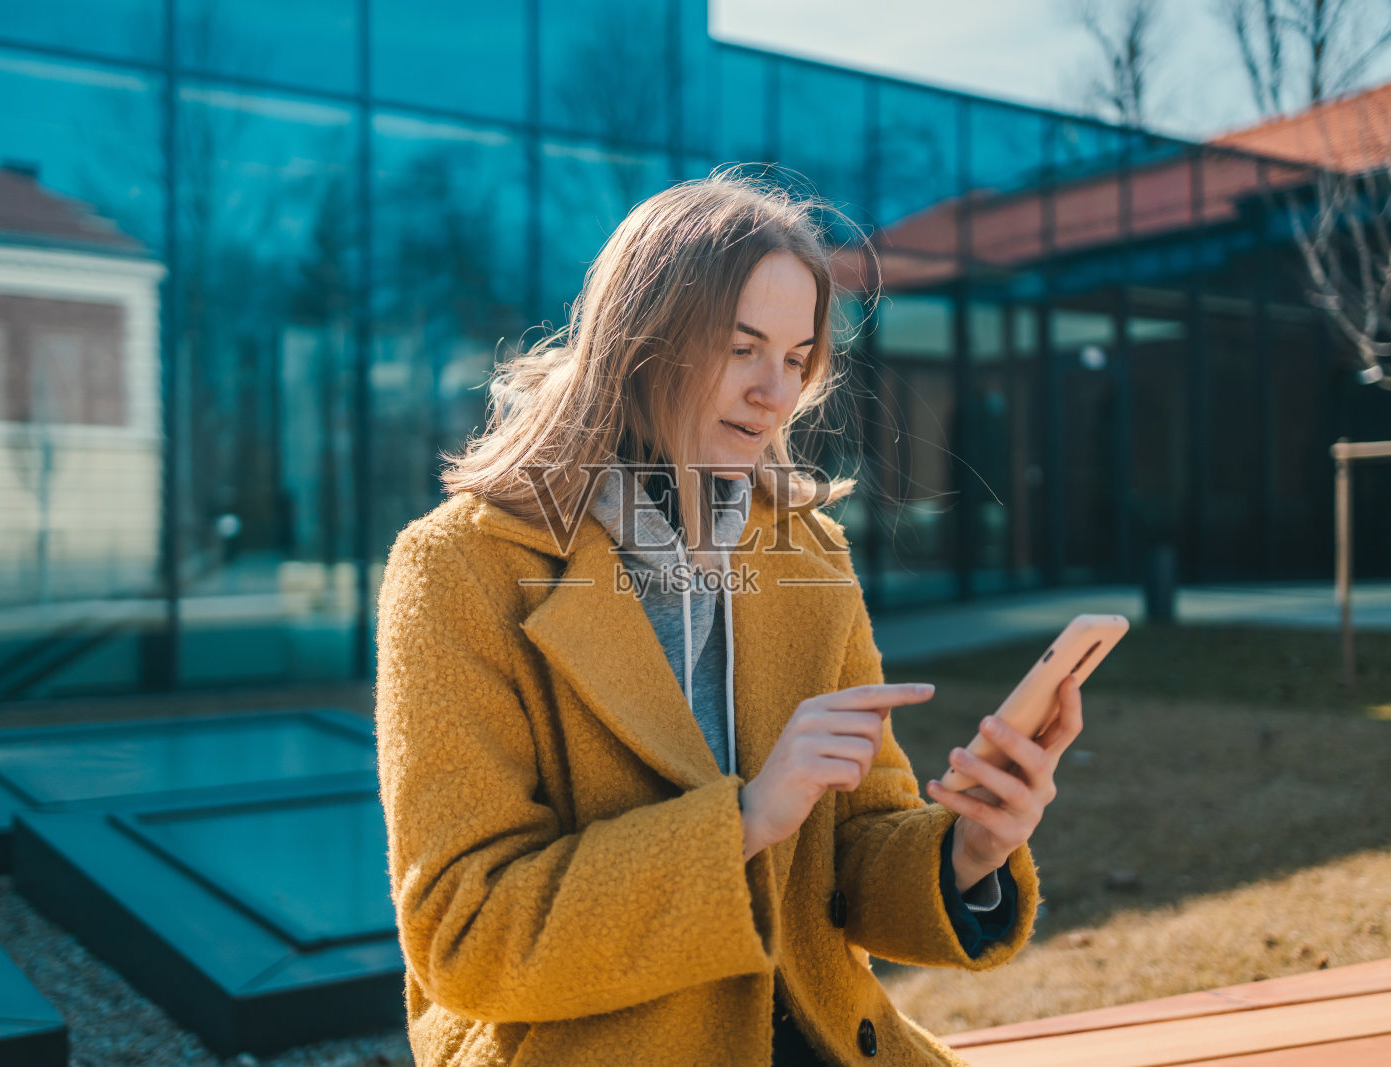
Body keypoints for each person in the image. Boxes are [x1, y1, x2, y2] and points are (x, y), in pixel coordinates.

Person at [374, 168, 1084, 1066]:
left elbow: (855, 851)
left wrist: (971, 851)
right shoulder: (458, 570)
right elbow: (466, 935)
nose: (775, 394)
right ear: (640, 343)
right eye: (742, 347)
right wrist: (746, 818)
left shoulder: (805, 552)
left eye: (795, 360)